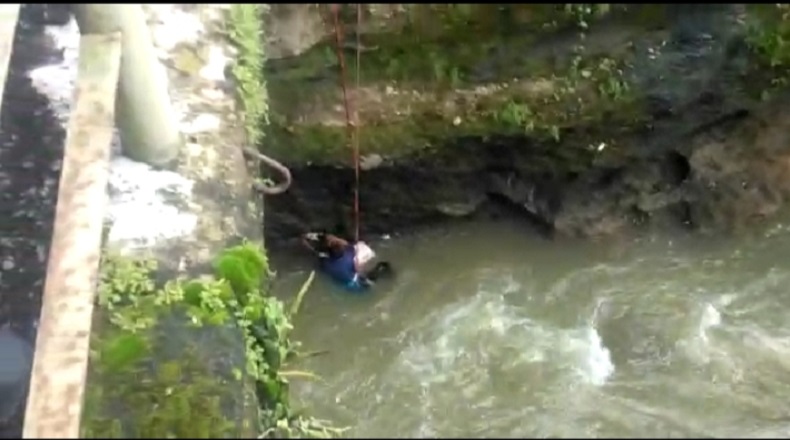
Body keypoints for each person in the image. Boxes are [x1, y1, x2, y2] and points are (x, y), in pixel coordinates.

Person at [301, 231, 392, 292]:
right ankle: (391, 278)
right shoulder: (349, 256)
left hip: (344, 287)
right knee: (382, 265)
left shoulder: (325, 263)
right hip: (360, 286)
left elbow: (313, 251)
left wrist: (307, 238)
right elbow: (347, 244)